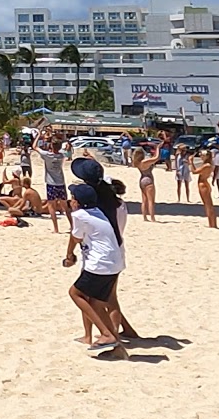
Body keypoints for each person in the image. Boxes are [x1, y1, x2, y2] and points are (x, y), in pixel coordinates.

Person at [62, 183, 128, 359]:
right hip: (115, 262)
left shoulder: (80, 215)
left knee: (75, 293)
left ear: (78, 202)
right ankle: (118, 347)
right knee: (97, 304)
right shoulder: (98, 212)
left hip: (101, 263)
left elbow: (75, 237)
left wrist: (69, 255)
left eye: (73, 198)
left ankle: (106, 334)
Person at [39, 139, 68, 233]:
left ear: (51, 146)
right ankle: (72, 225)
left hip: (51, 183)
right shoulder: (61, 155)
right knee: (65, 207)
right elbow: (66, 147)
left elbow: (35, 147)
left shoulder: (47, 155)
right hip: (61, 182)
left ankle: (56, 229)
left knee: (51, 206)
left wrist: (39, 136)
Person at [132, 146, 159, 222]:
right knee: (151, 201)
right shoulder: (144, 162)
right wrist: (158, 148)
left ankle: (144, 217)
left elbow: (153, 159)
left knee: (144, 200)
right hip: (148, 180)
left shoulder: (137, 162)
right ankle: (152, 218)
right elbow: (156, 158)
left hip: (142, 179)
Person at [194, 151, 218, 229]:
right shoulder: (207, 164)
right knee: (208, 205)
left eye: (202, 155)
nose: (200, 156)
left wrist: (191, 162)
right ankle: (211, 223)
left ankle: (213, 224)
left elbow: (194, 172)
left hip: (203, 184)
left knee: (208, 205)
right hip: (204, 183)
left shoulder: (207, 165)